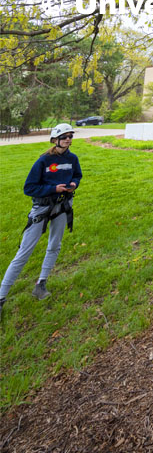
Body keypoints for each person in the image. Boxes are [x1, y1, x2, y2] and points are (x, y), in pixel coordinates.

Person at [0, 124, 82, 314]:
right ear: (55, 139)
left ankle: (41, 285)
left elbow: (77, 175)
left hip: (62, 207)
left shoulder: (73, 159)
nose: (68, 139)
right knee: (24, 252)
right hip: (41, 209)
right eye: (64, 136)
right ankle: (1, 296)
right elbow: (29, 188)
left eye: (70, 136)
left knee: (55, 245)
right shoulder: (44, 161)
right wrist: (53, 189)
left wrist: (73, 184)